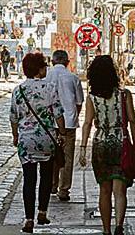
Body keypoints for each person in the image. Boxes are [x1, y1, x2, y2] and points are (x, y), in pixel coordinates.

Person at [80, 55, 135, 235]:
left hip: (100, 144)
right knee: (119, 190)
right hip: (121, 143)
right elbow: (132, 120)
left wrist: (83, 148)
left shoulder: (92, 98)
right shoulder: (124, 94)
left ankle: (106, 230)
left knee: (104, 190)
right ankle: (119, 226)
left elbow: (87, 123)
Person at [10, 53, 66, 233]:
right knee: (46, 176)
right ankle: (42, 212)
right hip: (46, 139)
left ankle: (28, 219)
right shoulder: (49, 88)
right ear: (40, 69)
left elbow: (13, 117)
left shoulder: (18, 90)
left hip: (26, 140)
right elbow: (58, 114)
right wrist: (62, 133)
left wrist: (15, 136)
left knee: (29, 179)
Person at [45, 49, 84, 201]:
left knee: (51, 156)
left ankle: (52, 184)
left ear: (52, 62)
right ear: (68, 62)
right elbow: (79, 102)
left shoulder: (46, 77)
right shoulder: (73, 78)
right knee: (67, 158)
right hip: (68, 123)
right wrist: (73, 115)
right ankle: (64, 189)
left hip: (50, 123)